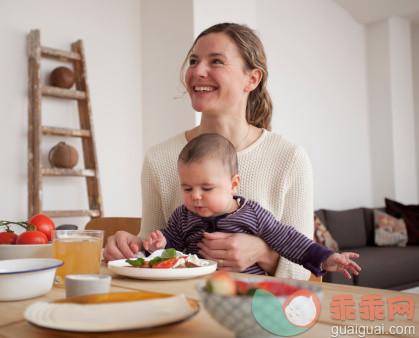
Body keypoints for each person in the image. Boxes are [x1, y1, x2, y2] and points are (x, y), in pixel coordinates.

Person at [103, 22, 313, 280]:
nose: (197, 71)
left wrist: (263, 254)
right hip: (181, 304)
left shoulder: (289, 158)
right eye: (193, 61)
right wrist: (130, 247)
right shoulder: (159, 158)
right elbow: (154, 248)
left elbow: (304, 270)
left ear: (252, 79)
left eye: (216, 61)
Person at [143, 133, 361, 278]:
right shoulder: (182, 216)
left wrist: (325, 258)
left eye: (207, 188)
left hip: (250, 294)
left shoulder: (252, 214)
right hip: (199, 291)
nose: (196, 197)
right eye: (187, 189)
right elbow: (172, 244)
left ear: (233, 184)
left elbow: (289, 239)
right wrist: (160, 243)